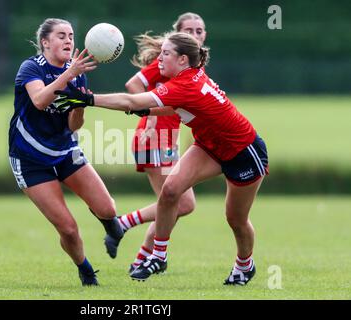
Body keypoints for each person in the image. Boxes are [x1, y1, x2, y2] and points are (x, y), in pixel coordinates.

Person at [55, 32, 269, 286]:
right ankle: (158, 255)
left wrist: (88, 99)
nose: (159, 59)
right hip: (209, 146)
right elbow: (176, 106)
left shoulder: (185, 84)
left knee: (235, 219)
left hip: (243, 151)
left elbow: (130, 99)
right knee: (170, 192)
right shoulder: (185, 78)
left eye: (165, 54)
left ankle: (245, 265)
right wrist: (146, 110)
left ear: (182, 60)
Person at [8, 18, 124, 287]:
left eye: (71, 35)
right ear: (45, 42)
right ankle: (86, 271)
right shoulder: (31, 68)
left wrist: (81, 105)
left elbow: (74, 125)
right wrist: (69, 75)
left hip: (64, 150)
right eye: (61, 36)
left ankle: (112, 229)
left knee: (107, 208)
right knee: (69, 229)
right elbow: (39, 101)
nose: (68, 40)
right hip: (30, 159)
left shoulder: (77, 73)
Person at [113, 13, 206, 274]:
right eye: (189, 30)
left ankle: (142, 257)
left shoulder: (193, 68)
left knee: (176, 205)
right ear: (176, 34)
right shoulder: (167, 61)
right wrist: (150, 114)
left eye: (199, 30)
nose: (195, 35)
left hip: (168, 142)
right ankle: (126, 229)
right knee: (180, 204)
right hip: (154, 138)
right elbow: (133, 84)